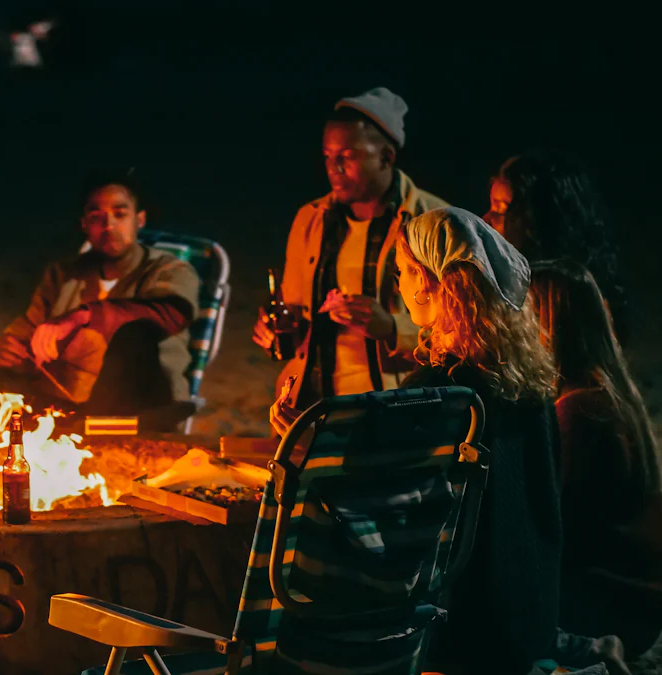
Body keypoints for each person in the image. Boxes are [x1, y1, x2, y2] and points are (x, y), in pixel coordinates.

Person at [270, 208, 628, 674]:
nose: (398, 286)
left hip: (454, 627)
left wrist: (305, 444)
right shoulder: (531, 384)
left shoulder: (438, 395)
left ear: (424, 281)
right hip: (529, 614)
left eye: (401, 273)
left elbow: (370, 509)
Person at [0, 172, 200, 430]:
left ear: (139, 220)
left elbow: (170, 314)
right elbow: (26, 330)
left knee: (134, 337)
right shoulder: (63, 275)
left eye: (120, 214)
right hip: (57, 407)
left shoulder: (169, 270)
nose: (109, 226)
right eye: (97, 217)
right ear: (84, 225)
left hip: (132, 408)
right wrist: (6, 352)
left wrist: (80, 316)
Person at [253, 87, 448, 408]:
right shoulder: (311, 219)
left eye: (347, 156)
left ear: (386, 157)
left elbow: (461, 335)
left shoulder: (431, 222)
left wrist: (392, 329)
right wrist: (277, 331)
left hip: (395, 406)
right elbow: (294, 313)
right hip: (309, 404)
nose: (334, 168)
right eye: (328, 157)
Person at [530, 259, 662, 657]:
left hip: (605, 603)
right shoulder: (608, 395)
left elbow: (558, 530)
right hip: (634, 599)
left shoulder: (579, 411)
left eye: (522, 314)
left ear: (548, 324)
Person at [483, 152, 627, 337]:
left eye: (501, 210)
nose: (486, 220)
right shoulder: (509, 280)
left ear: (538, 221)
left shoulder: (565, 304)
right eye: (492, 207)